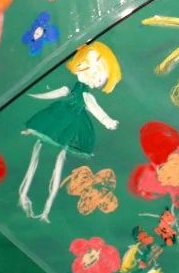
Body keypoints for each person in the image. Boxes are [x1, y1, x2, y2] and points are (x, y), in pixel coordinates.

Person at [17, 42, 121, 221]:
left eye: (99, 72)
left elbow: (95, 108)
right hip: (60, 117)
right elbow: (54, 94)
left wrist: (107, 121)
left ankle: (46, 206)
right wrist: (34, 95)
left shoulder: (86, 95)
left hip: (72, 123)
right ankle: (25, 194)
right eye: (90, 62)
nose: (91, 71)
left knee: (58, 156)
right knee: (44, 149)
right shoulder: (69, 89)